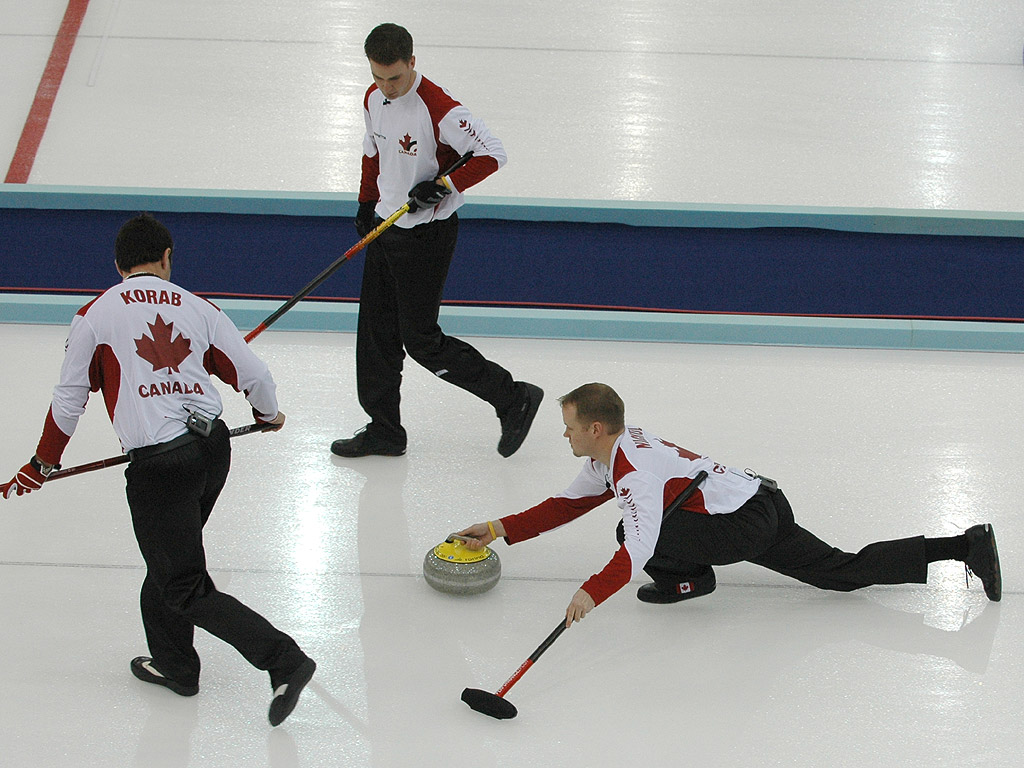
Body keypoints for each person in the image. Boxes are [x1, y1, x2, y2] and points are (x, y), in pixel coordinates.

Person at [1, 214, 315, 727]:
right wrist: (266, 415)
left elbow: (69, 401)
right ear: (166, 257)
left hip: (160, 468)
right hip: (212, 451)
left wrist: (42, 463)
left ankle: (283, 659)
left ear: (118, 264)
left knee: (183, 582)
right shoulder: (198, 307)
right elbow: (254, 374)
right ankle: (175, 666)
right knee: (169, 561)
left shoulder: (94, 315)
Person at [457, 382, 1002, 628]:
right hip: (762, 500)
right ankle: (964, 545)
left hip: (744, 522)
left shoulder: (634, 472)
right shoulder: (613, 453)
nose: (566, 437)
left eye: (570, 429)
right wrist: (495, 527)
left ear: (595, 428)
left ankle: (688, 579)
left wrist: (589, 594)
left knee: (629, 536)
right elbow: (566, 505)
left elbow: (637, 549)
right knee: (842, 571)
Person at [331, 22, 543, 459]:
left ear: (412, 62)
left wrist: (444, 185)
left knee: (421, 339)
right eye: (377, 76)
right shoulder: (373, 99)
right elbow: (372, 155)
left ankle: (513, 397)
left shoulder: (440, 108)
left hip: (427, 236)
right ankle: (384, 431)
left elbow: (493, 154)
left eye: (394, 77)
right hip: (387, 226)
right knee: (375, 335)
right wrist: (366, 203)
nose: (386, 87)